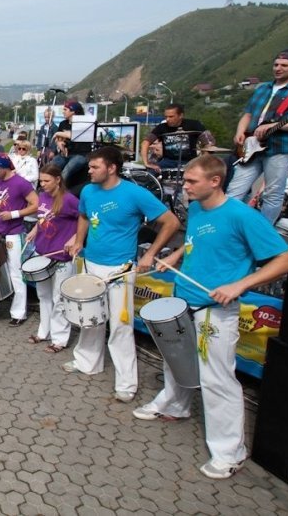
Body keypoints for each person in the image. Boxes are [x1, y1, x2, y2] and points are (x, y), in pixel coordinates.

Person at [134, 155, 288, 479]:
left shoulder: (241, 216)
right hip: (184, 297)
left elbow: (287, 259)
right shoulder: (196, 207)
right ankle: (175, 405)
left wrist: (240, 284)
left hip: (215, 310)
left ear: (215, 181)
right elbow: (195, 242)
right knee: (175, 358)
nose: (185, 186)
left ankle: (229, 452)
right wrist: (176, 256)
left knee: (217, 378)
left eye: (192, 181)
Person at [63, 146, 181, 402]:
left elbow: (171, 222)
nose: (90, 171)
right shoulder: (88, 190)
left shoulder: (135, 193)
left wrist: (150, 254)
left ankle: (126, 384)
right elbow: (84, 216)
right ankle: (87, 362)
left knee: (120, 326)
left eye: (95, 167)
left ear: (112, 168)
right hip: (91, 264)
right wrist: (78, 240)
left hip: (120, 269)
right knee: (91, 318)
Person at [226, 48, 288, 224]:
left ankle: (262, 232)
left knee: (273, 194)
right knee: (234, 190)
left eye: (284, 65)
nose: (278, 68)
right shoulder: (263, 88)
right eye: (276, 64)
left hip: (281, 147)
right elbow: (248, 113)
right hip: (252, 146)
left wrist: (273, 126)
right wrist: (240, 131)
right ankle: (228, 228)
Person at [0, 154, 39, 326]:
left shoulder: (21, 183)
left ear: (6, 167)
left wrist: (14, 214)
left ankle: (19, 312)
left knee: (16, 272)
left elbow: (36, 204)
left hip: (14, 232)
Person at [26, 165, 77, 353]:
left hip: (61, 257)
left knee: (59, 298)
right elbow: (43, 219)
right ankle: (43, 331)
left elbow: (84, 219)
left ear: (58, 179)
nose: (43, 184)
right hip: (42, 253)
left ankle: (59, 339)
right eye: (41, 181)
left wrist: (75, 238)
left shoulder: (69, 200)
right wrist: (34, 230)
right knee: (44, 296)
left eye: (47, 181)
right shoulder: (43, 197)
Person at [140, 104, 211, 172]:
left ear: (181, 115)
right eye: (166, 117)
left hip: (189, 161)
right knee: (150, 174)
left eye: (171, 116)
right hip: (168, 161)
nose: (167, 119)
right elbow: (145, 143)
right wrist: (146, 163)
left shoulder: (194, 125)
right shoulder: (161, 127)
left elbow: (208, 142)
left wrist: (203, 160)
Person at [52, 101, 93, 184]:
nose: (63, 111)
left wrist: (58, 133)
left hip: (81, 154)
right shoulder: (63, 123)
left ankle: (59, 189)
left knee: (67, 170)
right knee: (51, 167)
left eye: (65, 109)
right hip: (66, 154)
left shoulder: (83, 123)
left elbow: (73, 134)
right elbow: (58, 139)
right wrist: (59, 143)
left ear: (73, 111)